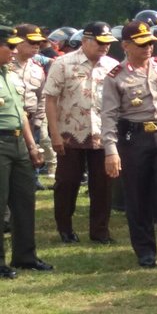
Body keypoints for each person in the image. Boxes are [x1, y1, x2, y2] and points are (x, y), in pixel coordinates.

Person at [101, 20, 157, 267]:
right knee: (137, 194)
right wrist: (111, 151)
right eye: (142, 44)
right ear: (126, 46)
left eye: (151, 43)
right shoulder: (115, 77)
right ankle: (145, 251)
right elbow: (108, 116)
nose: (148, 48)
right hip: (134, 139)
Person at [43, 21, 119, 244]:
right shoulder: (63, 63)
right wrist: (54, 134)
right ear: (85, 41)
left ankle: (100, 231)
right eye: (100, 42)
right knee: (67, 183)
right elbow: (50, 99)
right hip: (69, 133)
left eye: (108, 43)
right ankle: (65, 228)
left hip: (102, 134)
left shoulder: (112, 66)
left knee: (103, 185)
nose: (105, 47)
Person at [0, 25, 53, 278]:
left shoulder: (8, 75)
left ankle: (25, 256)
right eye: (8, 46)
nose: (13, 51)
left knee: (24, 200)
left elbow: (21, 114)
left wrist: (33, 146)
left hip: (19, 142)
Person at [11, 24, 48, 190]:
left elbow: (42, 96)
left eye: (38, 43)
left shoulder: (37, 68)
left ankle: (32, 179)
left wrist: (39, 119)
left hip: (32, 119)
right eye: (32, 42)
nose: (36, 47)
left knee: (34, 151)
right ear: (18, 42)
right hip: (11, 119)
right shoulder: (6, 66)